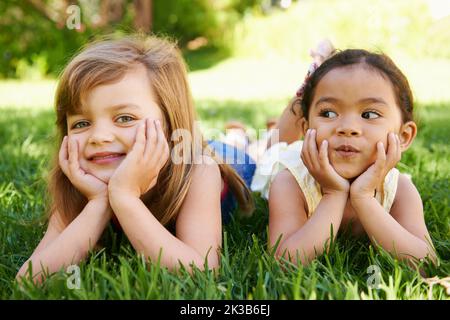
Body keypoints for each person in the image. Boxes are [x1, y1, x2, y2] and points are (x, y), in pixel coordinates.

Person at [16, 34, 254, 284]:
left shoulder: (199, 171)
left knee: (232, 150)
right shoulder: (78, 181)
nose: (99, 137)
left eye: (125, 118)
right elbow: (29, 281)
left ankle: (240, 136)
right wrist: (100, 201)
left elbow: (202, 273)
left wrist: (125, 197)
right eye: (82, 123)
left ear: (170, 122)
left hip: (228, 162)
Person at [251, 46, 437, 266]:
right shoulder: (289, 181)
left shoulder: (400, 190)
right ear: (307, 127)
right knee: (268, 149)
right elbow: (284, 262)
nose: (348, 128)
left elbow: (426, 263)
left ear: (404, 136)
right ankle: (243, 137)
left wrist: (364, 197)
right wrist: (334, 193)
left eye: (369, 114)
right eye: (328, 113)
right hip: (282, 157)